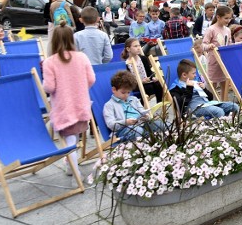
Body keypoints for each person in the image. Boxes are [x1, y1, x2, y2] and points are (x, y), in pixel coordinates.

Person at [42, 21, 95, 177]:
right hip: (81, 103)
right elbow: (91, 79)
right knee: (75, 136)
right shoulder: (81, 57)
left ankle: (73, 168)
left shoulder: (50, 62)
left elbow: (49, 87)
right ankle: (70, 163)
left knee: (69, 140)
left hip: (63, 106)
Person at [103, 70, 165, 141]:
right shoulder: (109, 105)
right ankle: (148, 140)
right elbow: (111, 124)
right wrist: (125, 122)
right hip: (124, 129)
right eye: (123, 92)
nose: (126, 95)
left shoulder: (134, 99)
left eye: (129, 92)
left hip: (141, 124)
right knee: (138, 131)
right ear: (114, 89)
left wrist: (146, 116)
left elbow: (142, 111)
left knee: (160, 125)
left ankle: (153, 141)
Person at [169, 58, 239, 119]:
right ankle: (221, 127)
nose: (195, 75)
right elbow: (181, 105)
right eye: (193, 73)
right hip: (194, 109)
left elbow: (210, 98)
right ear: (184, 75)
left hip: (207, 104)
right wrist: (189, 88)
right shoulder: (175, 88)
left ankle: (230, 125)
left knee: (234, 107)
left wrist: (204, 89)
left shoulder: (195, 82)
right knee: (219, 111)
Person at [121, 37, 164, 103]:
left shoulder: (143, 59)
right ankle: (143, 107)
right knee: (147, 88)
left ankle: (160, 103)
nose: (138, 48)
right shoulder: (126, 64)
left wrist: (152, 77)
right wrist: (141, 81)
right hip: (135, 85)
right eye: (135, 46)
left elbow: (149, 72)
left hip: (146, 82)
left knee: (158, 83)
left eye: (139, 46)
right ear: (128, 49)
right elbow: (128, 81)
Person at [202, 6, 234, 93]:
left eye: (230, 18)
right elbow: (203, 45)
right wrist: (209, 46)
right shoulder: (211, 29)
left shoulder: (227, 30)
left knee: (225, 82)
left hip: (224, 60)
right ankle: (212, 102)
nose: (228, 20)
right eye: (226, 18)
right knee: (213, 84)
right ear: (218, 17)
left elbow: (229, 43)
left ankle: (224, 101)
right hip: (214, 61)